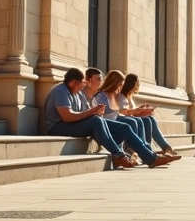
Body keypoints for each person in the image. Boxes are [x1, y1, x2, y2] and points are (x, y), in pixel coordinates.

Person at [45, 69, 174, 169]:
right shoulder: (60, 91)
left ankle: (150, 158)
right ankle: (118, 155)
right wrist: (92, 112)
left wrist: (95, 112)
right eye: (81, 84)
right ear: (72, 82)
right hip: (59, 126)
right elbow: (67, 117)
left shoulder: (78, 93)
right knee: (97, 121)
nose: (82, 87)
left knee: (124, 127)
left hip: (76, 123)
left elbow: (85, 112)